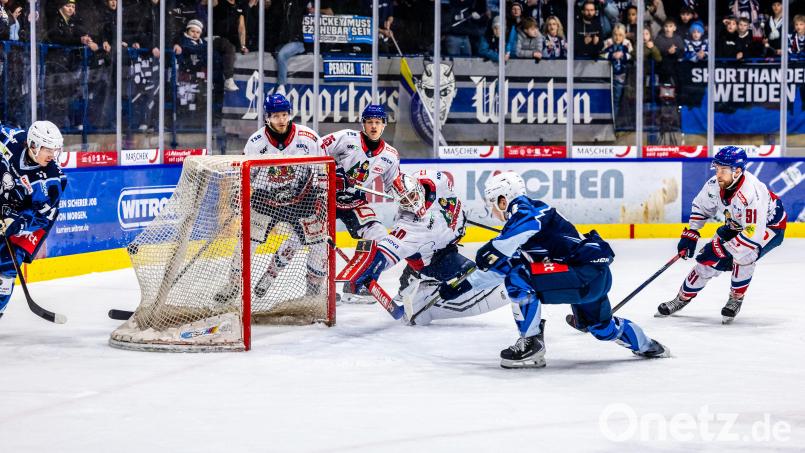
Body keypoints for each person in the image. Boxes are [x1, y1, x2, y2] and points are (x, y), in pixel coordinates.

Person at [474, 171, 669, 369]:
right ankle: (649, 346)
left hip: (582, 275)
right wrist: (466, 284)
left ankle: (531, 343)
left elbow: (521, 232)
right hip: (594, 276)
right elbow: (504, 265)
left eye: (492, 203)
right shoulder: (523, 223)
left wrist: (492, 249)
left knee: (519, 277)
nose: (492, 211)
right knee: (602, 328)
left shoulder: (526, 211)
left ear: (503, 198)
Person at [350, 171, 509, 326]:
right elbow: (386, 251)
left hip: (446, 242)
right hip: (436, 259)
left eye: (412, 196)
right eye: (405, 201)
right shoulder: (408, 226)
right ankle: (423, 301)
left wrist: (459, 220)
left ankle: (409, 280)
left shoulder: (435, 180)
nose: (411, 203)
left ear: (419, 188)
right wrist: (370, 269)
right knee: (474, 279)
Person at [214, 94, 326, 302]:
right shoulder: (256, 143)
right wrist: (239, 195)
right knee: (247, 242)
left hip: (302, 199)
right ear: (267, 117)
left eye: (285, 114)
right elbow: (245, 175)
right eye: (276, 116)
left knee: (319, 243)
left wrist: (322, 194)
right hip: (266, 201)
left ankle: (313, 289)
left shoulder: (308, 138)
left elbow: (323, 168)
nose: (282, 120)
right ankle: (233, 285)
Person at [656, 146, 787, 324]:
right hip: (736, 223)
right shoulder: (714, 185)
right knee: (705, 263)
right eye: (717, 168)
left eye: (723, 170)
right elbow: (701, 207)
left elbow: (752, 233)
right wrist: (691, 233)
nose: (718, 174)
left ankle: (736, 298)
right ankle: (681, 299)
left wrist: (723, 251)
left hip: (769, 227)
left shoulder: (752, 192)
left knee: (744, 257)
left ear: (738, 171)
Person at [320, 104, 399, 303]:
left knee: (380, 236)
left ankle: (356, 283)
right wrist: (331, 171)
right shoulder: (346, 138)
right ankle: (317, 289)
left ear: (384, 125)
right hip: (324, 197)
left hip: (354, 202)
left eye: (378, 123)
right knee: (316, 242)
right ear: (363, 123)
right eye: (370, 122)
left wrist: (410, 196)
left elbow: (395, 186)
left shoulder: (390, 155)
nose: (374, 126)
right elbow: (315, 152)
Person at [0, 121, 67, 320]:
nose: (52, 155)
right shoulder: (10, 139)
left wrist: (17, 224)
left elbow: (43, 215)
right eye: (48, 149)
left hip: (31, 221)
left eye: (55, 150)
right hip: (5, 205)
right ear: (33, 145)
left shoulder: (53, 179)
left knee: (7, 266)